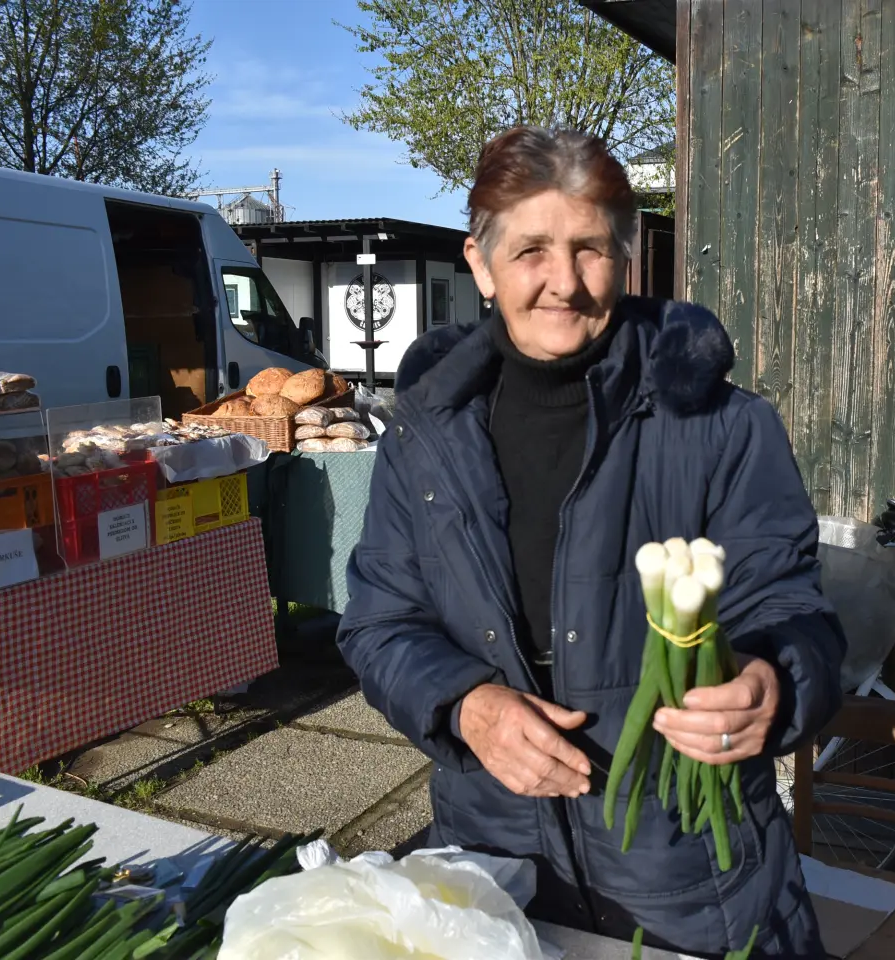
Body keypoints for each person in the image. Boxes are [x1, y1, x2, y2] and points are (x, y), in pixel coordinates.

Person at [338, 126, 845, 958]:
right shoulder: (426, 431)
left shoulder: (721, 425)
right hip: (493, 865)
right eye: (532, 249)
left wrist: (772, 682)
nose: (564, 283)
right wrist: (465, 705)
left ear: (628, 257)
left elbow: (794, 609)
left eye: (591, 250)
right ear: (479, 261)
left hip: (689, 874)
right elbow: (378, 623)